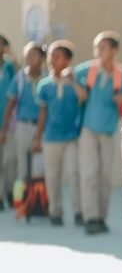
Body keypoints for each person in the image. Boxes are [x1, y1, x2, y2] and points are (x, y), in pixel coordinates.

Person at [74, 31, 122, 235]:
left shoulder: (121, 75)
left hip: (108, 130)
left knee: (104, 176)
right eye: (97, 47)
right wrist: (78, 89)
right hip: (88, 129)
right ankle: (90, 217)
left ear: (114, 51)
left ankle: (101, 216)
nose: (98, 51)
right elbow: (68, 74)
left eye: (103, 48)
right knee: (89, 174)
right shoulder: (89, 70)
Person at [32, 40, 86, 226]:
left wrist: (70, 81)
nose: (52, 60)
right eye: (50, 56)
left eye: (57, 56)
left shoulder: (76, 82)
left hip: (72, 137)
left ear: (67, 60)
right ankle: (55, 211)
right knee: (52, 176)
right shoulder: (44, 85)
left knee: (75, 174)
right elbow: (42, 113)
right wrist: (37, 137)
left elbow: (83, 97)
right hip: (51, 137)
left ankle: (79, 211)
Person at [1, 42, 46, 185]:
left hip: (41, 128)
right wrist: (4, 129)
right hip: (22, 127)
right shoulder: (19, 78)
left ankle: (36, 198)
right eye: (28, 55)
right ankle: (22, 197)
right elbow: (10, 105)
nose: (30, 58)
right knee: (22, 170)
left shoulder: (46, 79)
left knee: (38, 169)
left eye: (34, 55)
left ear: (42, 58)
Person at [0, 35, 16, 208]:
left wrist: (10, 54)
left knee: (9, 160)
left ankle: (10, 191)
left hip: (9, 122)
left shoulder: (10, 67)